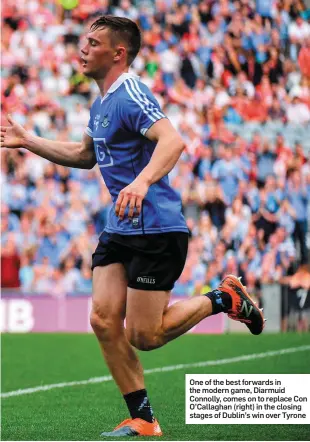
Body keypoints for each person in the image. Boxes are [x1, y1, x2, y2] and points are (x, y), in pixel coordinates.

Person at [0, 16, 265, 438]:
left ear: (118, 53)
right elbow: (86, 154)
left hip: (157, 227)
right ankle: (143, 418)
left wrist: (141, 182)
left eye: (93, 42)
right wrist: (30, 141)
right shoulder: (102, 101)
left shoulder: (130, 93)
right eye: (83, 41)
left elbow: (172, 141)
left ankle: (224, 298)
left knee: (145, 335)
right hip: (121, 227)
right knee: (104, 321)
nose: (82, 49)